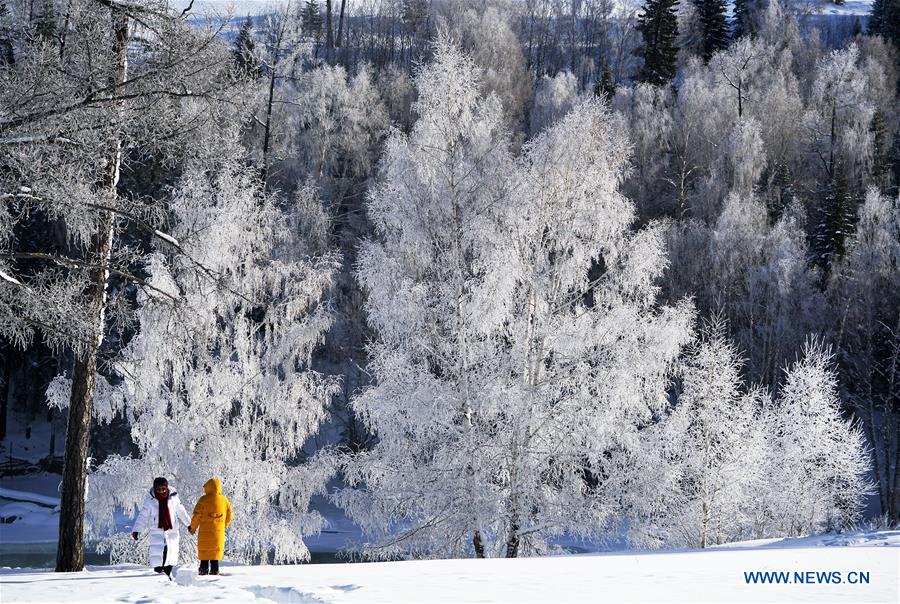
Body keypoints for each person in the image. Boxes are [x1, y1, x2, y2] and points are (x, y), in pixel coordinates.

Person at [131, 476, 191, 577]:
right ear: (155, 489)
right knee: (158, 557)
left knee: (170, 555)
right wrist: (136, 530)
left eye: (163, 488)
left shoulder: (173, 498)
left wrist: (189, 524)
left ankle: (167, 576)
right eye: (158, 489)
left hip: (172, 531)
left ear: (167, 487)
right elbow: (143, 516)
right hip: (156, 531)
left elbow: (181, 511)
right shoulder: (150, 500)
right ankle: (158, 576)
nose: (161, 491)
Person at [189, 477, 233, 576]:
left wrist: (192, 528)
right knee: (215, 556)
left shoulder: (203, 499)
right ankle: (214, 573)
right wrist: (223, 525)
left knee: (205, 555)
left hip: (205, 534)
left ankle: (203, 572)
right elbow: (230, 515)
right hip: (218, 534)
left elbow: (197, 515)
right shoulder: (224, 500)